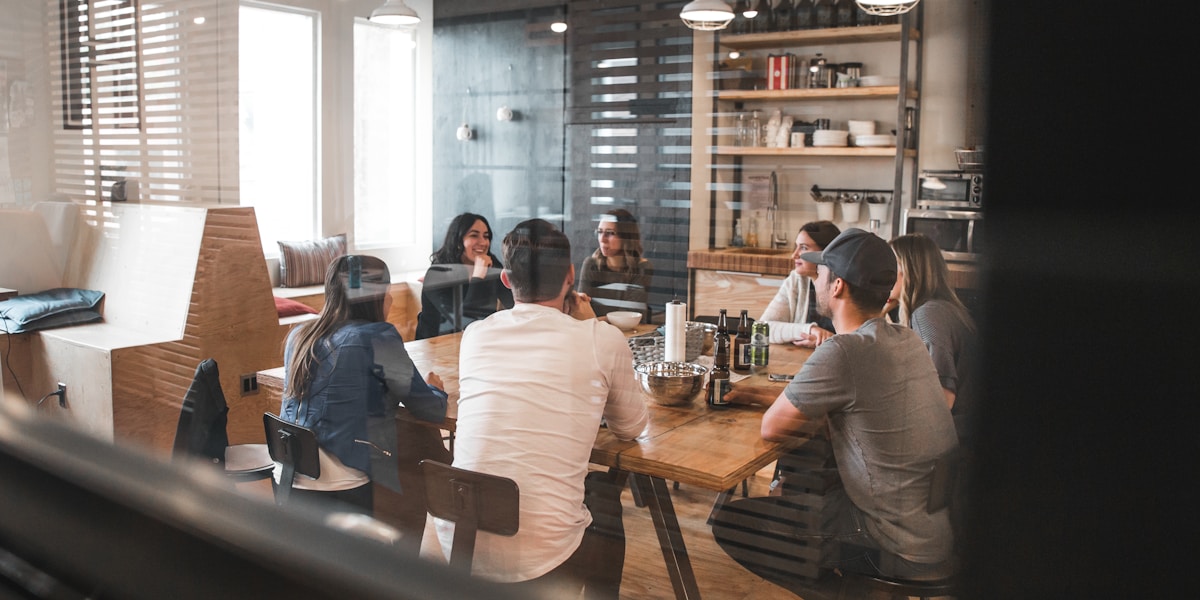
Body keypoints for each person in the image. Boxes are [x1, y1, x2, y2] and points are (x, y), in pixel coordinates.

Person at [712, 228, 959, 593]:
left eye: (822, 272)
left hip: (889, 541)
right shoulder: (905, 339)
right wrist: (753, 396)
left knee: (734, 524)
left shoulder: (844, 350)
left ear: (838, 285)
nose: (816, 279)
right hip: (931, 531)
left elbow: (772, 428)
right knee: (805, 489)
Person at [436, 218, 648, 598]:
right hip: (542, 561)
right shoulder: (601, 338)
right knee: (606, 505)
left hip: (460, 543)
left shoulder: (476, 335)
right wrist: (592, 324)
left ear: (505, 279)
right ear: (570, 276)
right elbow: (631, 427)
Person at [278, 255, 448, 516]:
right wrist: (437, 388)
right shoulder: (377, 337)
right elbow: (430, 409)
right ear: (377, 296)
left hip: (289, 477)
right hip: (341, 484)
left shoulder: (298, 336)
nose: (390, 299)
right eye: (388, 292)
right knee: (421, 450)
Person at [890, 233, 979, 445]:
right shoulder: (942, 308)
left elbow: (942, 399)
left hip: (957, 440)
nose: (881, 273)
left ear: (908, 270)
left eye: (889, 266)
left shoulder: (928, 315)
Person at [415, 213, 515, 340]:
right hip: (435, 346)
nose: (483, 242)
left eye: (486, 236)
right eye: (474, 235)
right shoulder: (437, 274)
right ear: (458, 241)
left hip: (477, 341)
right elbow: (466, 321)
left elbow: (514, 304)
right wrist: (478, 277)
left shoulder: (491, 265)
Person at [758, 220, 840, 347]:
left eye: (803, 248)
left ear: (826, 252)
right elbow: (762, 328)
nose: (794, 255)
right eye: (796, 246)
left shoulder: (845, 284)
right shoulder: (796, 280)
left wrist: (826, 341)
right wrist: (810, 330)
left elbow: (858, 340)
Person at [577, 208, 653, 321]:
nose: (602, 239)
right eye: (599, 232)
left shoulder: (641, 268)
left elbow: (629, 316)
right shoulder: (591, 264)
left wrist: (593, 320)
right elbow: (580, 310)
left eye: (610, 233)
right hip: (595, 333)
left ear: (626, 238)